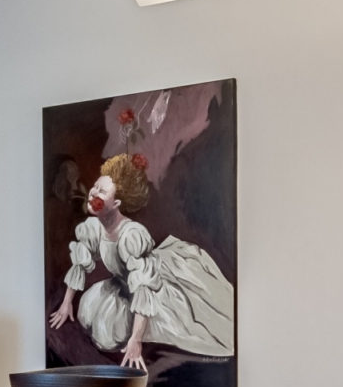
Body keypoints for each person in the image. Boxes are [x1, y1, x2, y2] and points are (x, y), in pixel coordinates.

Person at [48, 153, 234, 371]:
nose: (93, 193)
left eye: (101, 191)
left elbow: (143, 287)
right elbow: (81, 262)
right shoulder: (94, 227)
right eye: (95, 186)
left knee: (111, 333)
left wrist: (136, 340)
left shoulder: (131, 235)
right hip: (123, 286)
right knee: (88, 314)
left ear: (116, 203)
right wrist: (66, 303)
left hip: (150, 286)